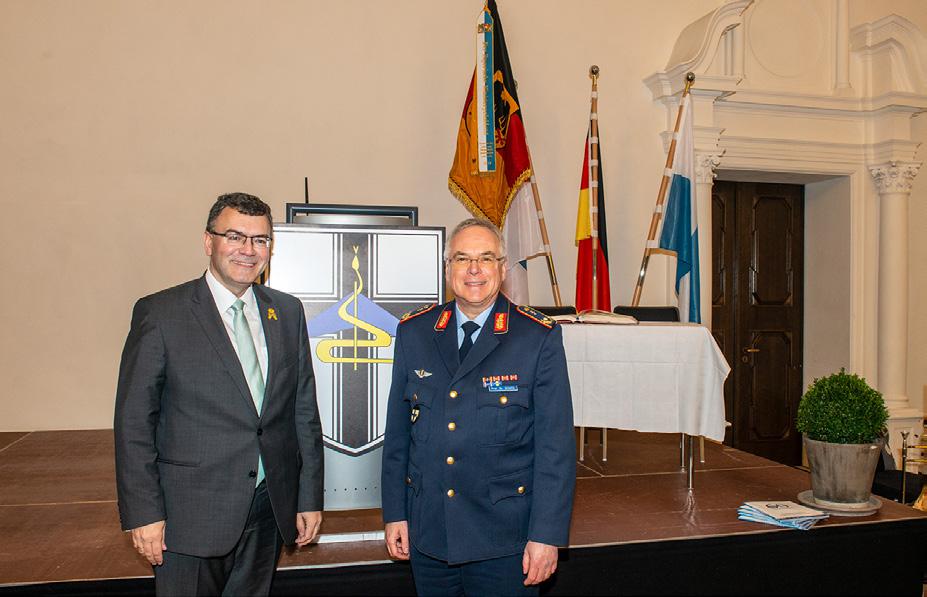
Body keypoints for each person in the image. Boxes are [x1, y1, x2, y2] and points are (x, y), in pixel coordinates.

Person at [114, 192, 324, 596]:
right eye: (235, 236)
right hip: (187, 517)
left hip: (267, 508)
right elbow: (134, 422)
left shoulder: (287, 312)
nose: (248, 249)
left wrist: (307, 498)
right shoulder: (161, 314)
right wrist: (143, 513)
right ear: (208, 241)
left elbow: (303, 413)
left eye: (260, 239)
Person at [381, 217, 575, 596]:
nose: (474, 269)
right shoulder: (414, 332)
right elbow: (399, 435)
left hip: (505, 541)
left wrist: (546, 535)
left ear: (502, 269)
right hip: (429, 534)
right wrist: (395, 513)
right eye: (462, 258)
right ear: (447, 268)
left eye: (485, 258)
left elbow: (555, 448)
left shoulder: (537, 337)